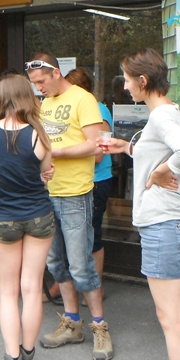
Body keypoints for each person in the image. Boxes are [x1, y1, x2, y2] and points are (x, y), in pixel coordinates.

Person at [102, 48, 180, 360]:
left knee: (171, 318)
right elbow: (164, 149)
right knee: (171, 316)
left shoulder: (161, 116)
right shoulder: (166, 112)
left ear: (143, 81)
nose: (126, 87)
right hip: (167, 222)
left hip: (164, 224)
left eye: (128, 80)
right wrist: (126, 148)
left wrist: (163, 170)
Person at [25, 52, 113, 360]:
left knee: (81, 264)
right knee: (56, 263)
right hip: (47, 192)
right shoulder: (44, 104)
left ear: (56, 72)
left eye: (41, 82)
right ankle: (72, 323)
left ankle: (100, 327)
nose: (38, 89)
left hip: (76, 193)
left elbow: (96, 145)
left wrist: (57, 153)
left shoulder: (83, 99)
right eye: (34, 84)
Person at [0, 74, 54, 360]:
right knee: (32, 289)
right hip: (39, 216)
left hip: (6, 218)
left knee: (8, 293)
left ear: (1, 97)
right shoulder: (39, 133)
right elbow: (46, 173)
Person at [64, 67, 112, 301]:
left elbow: (99, 154)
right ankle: (75, 285)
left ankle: (96, 287)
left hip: (96, 181)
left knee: (93, 236)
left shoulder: (99, 110)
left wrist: (64, 153)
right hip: (78, 181)